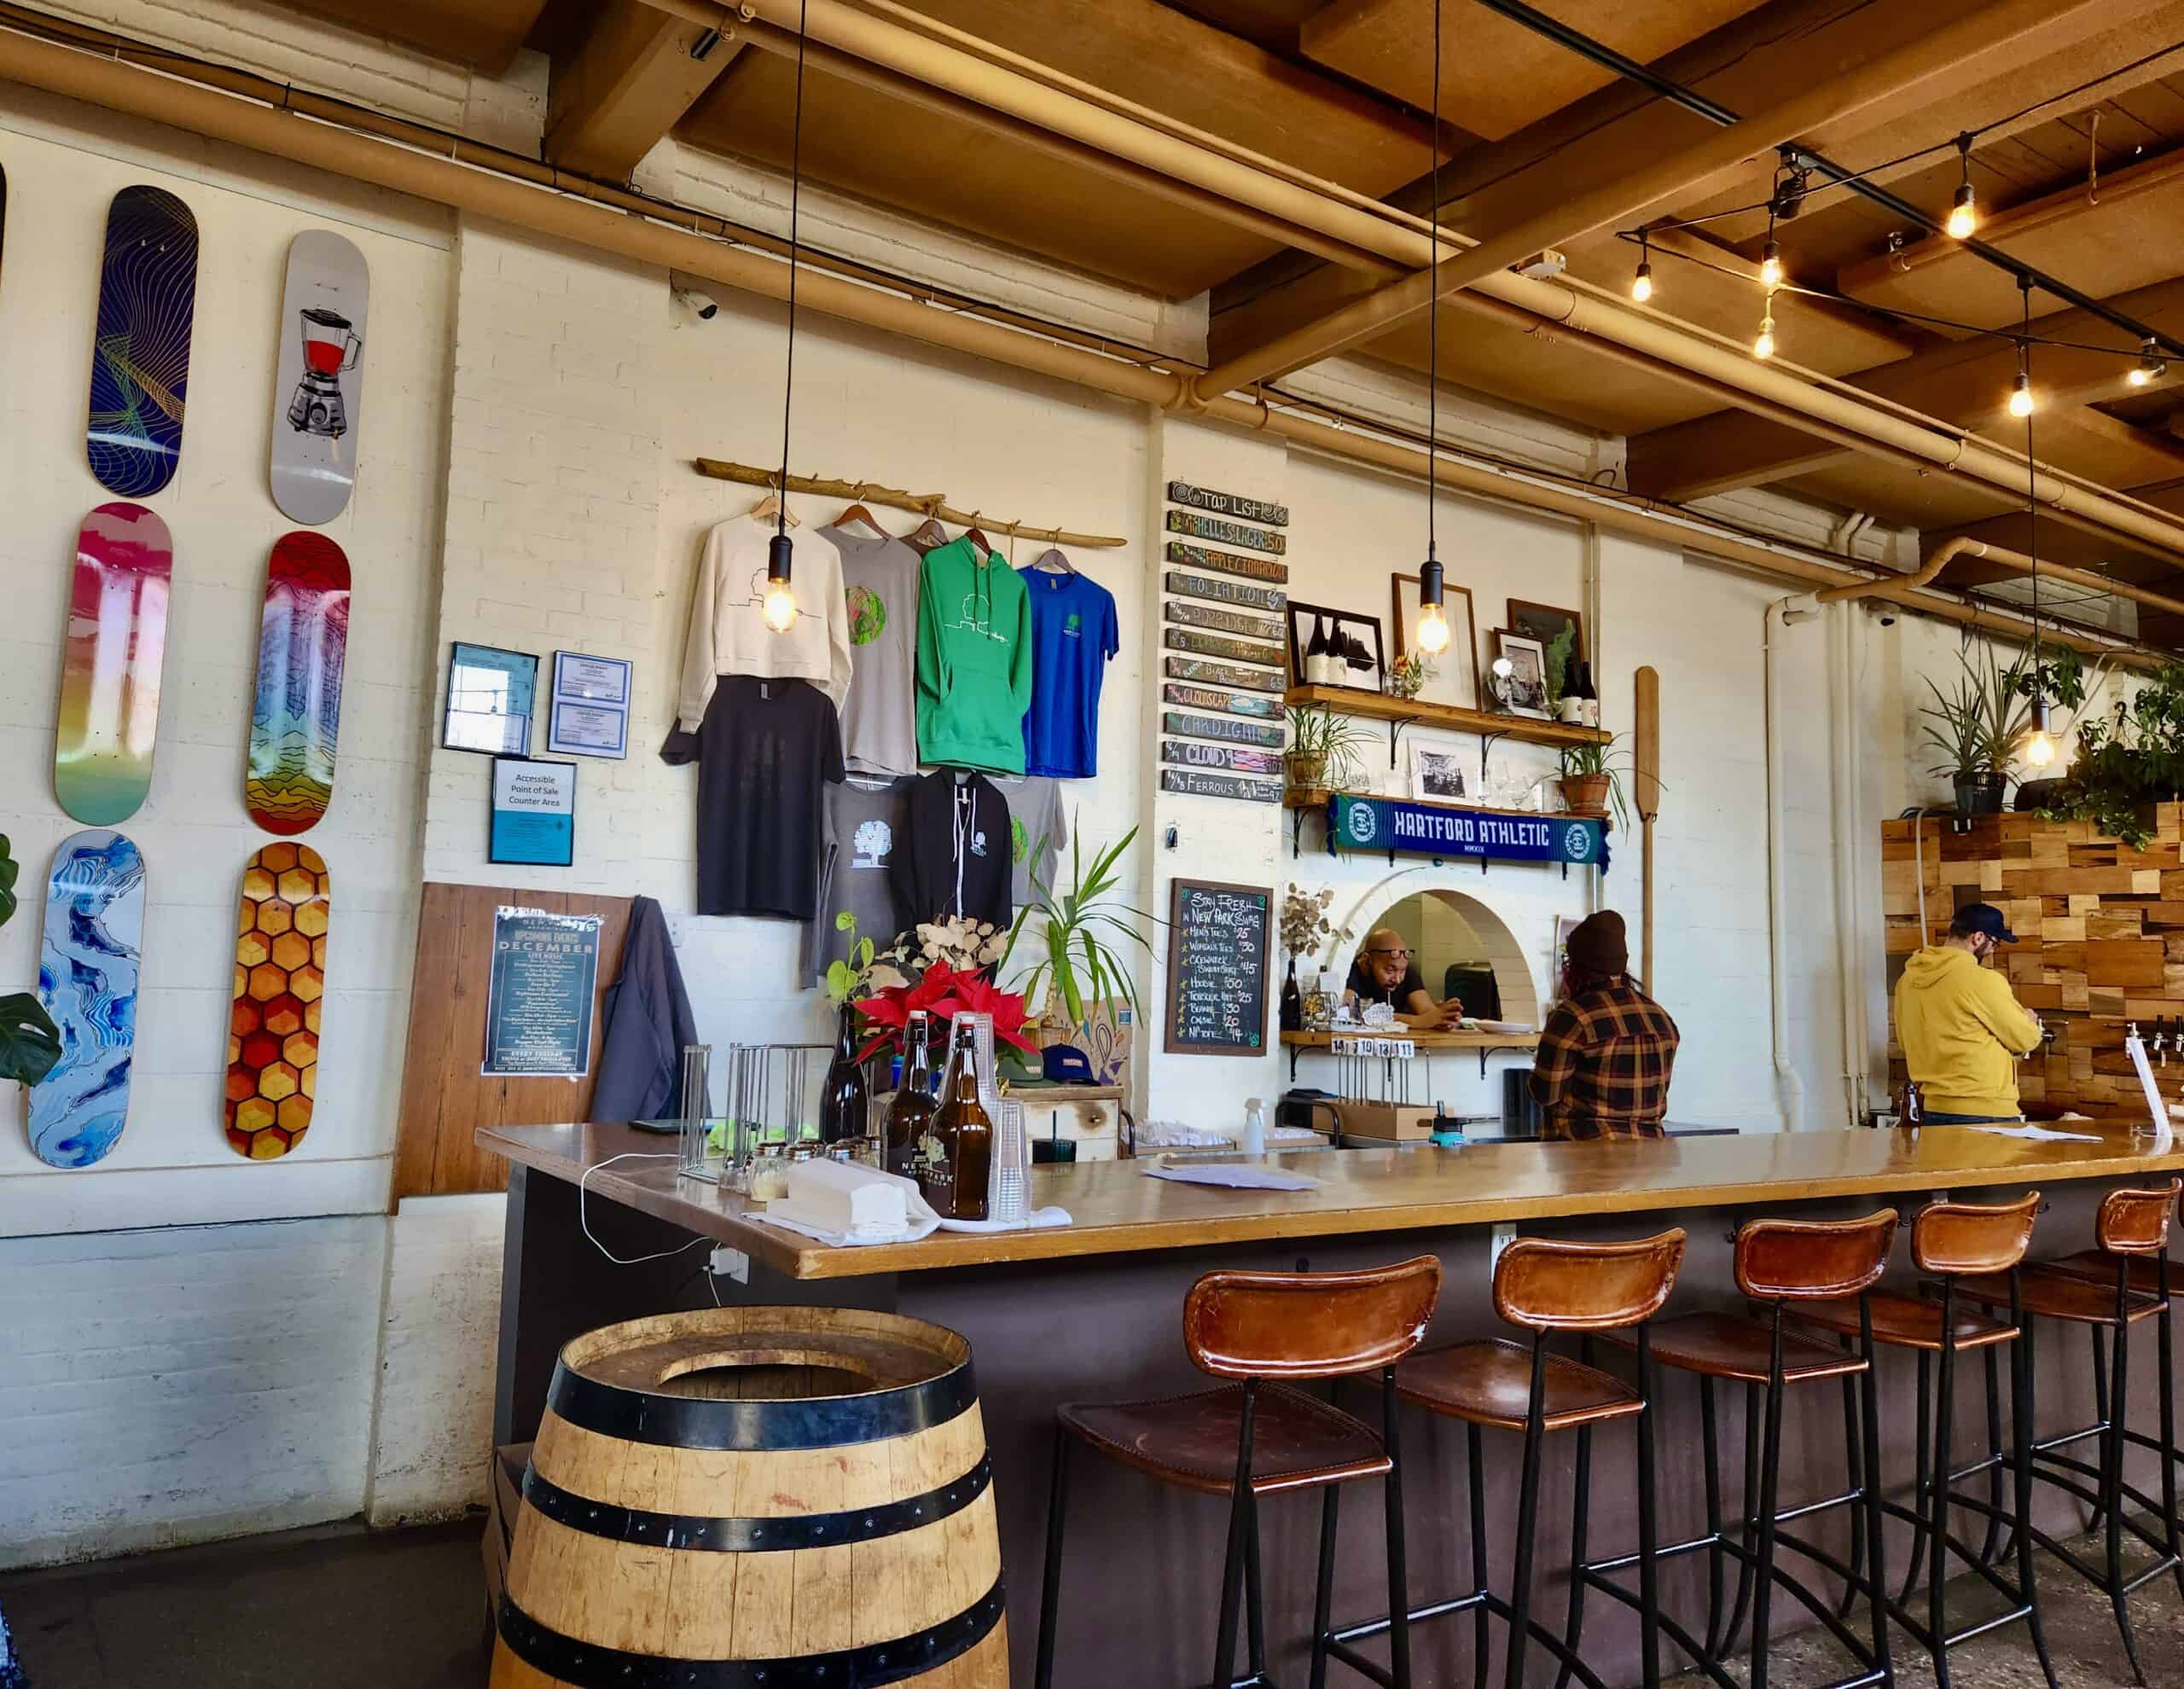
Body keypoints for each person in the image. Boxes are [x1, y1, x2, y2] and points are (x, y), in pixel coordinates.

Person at [1530, 909, 1680, 1140]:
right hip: (1652, 1160)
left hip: (1586, 1159)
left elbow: (1545, 1093)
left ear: (1575, 967)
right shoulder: (1660, 1018)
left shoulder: (1572, 1017)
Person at [1895, 903, 2045, 1124]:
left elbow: (1905, 1042)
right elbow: (2026, 1038)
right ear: (1978, 938)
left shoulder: (1907, 981)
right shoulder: (1982, 981)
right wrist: (2030, 1021)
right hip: (1985, 1111)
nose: (1993, 950)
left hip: (1933, 1110)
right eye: (1995, 943)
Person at [1344, 929, 1465, 1030]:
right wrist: (1416, 1021)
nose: (1398, 979)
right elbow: (1351, 1014)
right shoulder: (1350, 972)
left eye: (1402, 971)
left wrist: (1444, 1018)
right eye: (1389, 971)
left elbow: (1427, 1012)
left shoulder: (1406, 971)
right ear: (1367, 961)